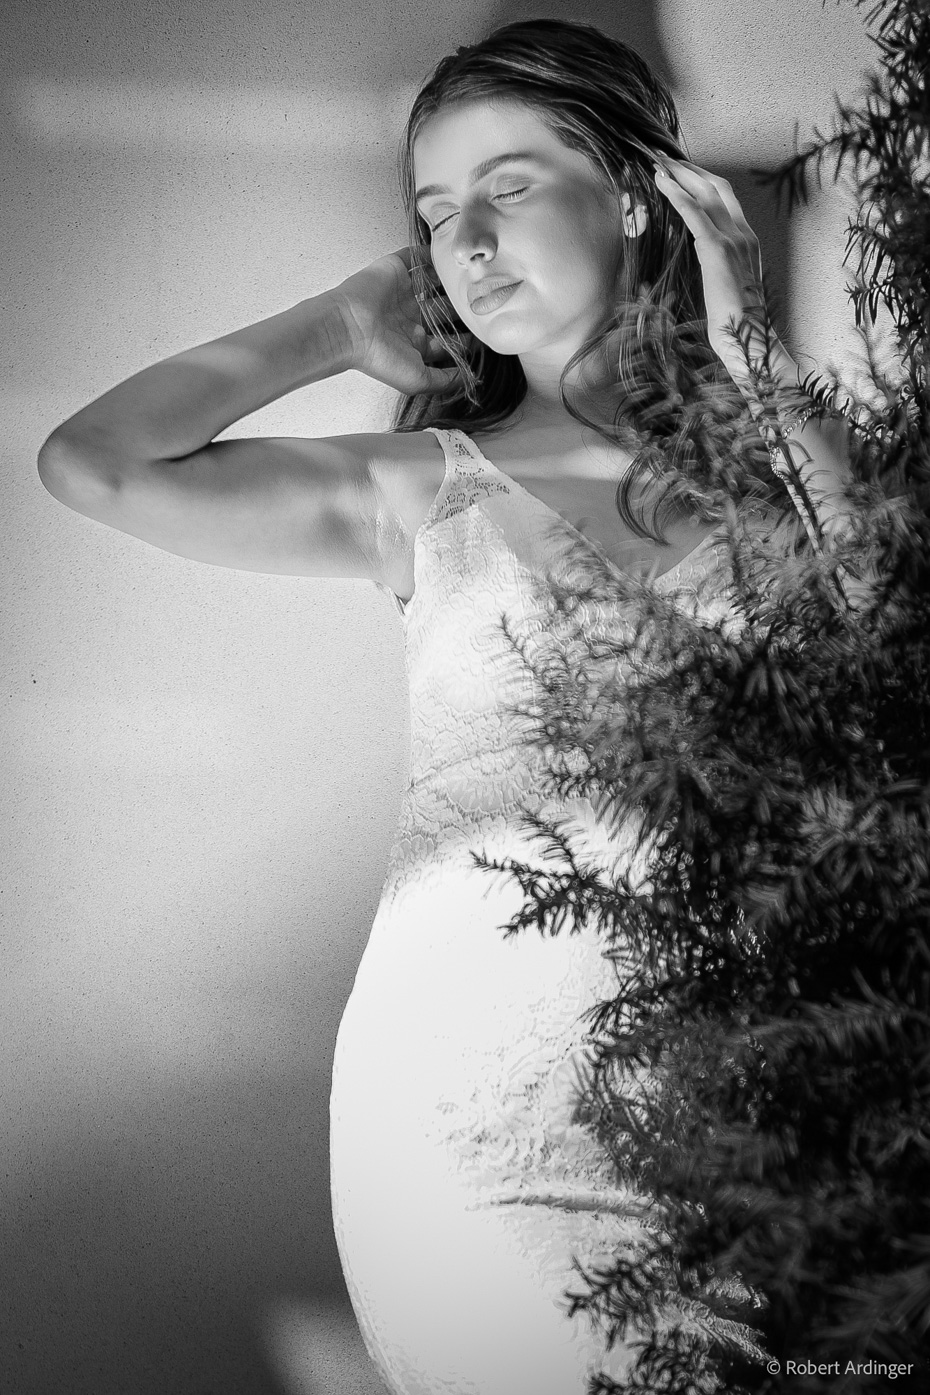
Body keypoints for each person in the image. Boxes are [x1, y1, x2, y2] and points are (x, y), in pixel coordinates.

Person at [37, 18, 856, 1393]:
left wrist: (758, 360)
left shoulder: (784, 494)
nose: (465, 241)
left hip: (750, 1115)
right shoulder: (424, 487)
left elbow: (891, 621)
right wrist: (333, 324)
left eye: (508, 187)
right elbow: (94, 463)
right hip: (475, 1120)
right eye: (433, 213)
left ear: (637, 198)